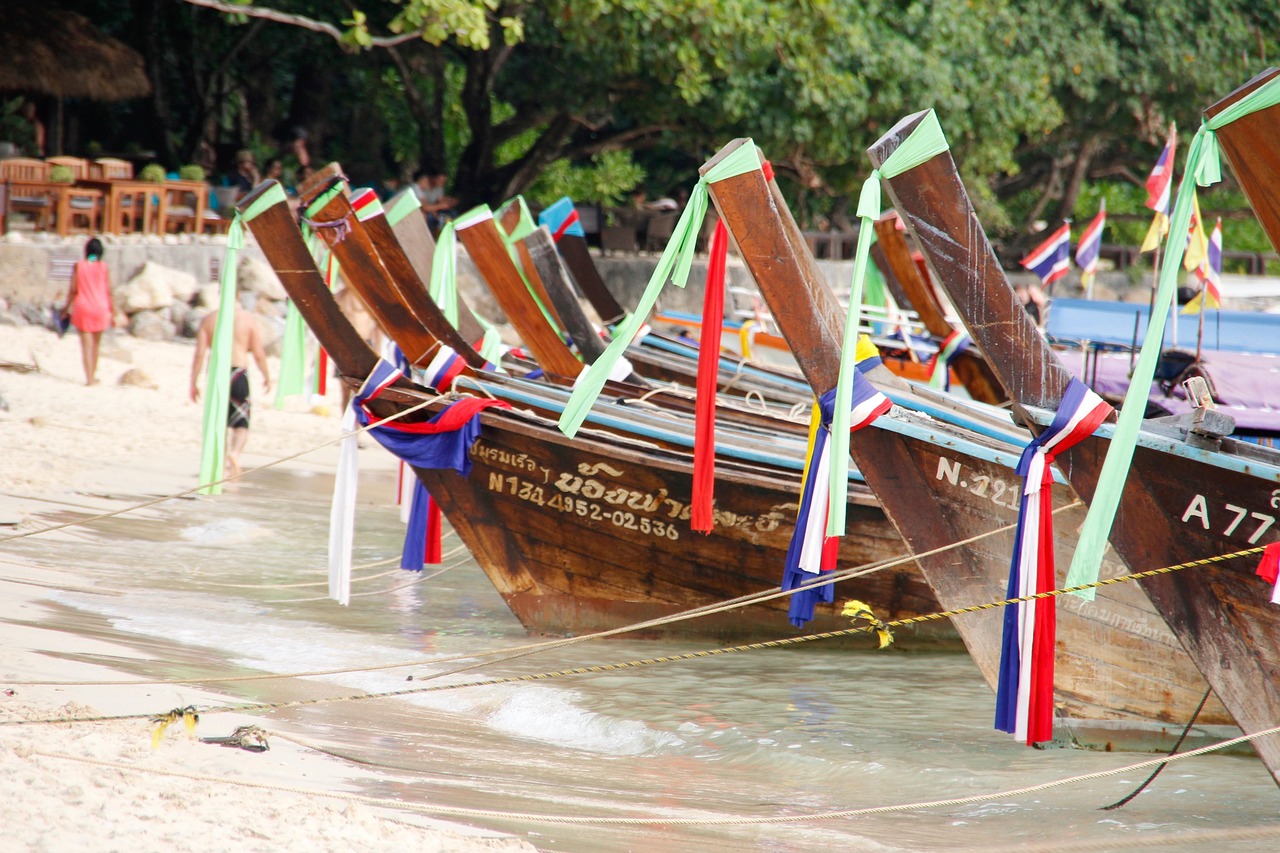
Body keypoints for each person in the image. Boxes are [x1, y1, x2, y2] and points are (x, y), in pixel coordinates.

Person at [189, 304, 272, 478]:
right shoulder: (248, 320)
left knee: (218, 419)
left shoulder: (209, 319)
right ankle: (234, 453)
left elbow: (199, 354)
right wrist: (266, 376)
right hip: (238, 372)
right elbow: (258, 353)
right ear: (240, 297)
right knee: (241, 422)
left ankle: (219, 459)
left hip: (216, 373)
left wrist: (193, 382)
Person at [62, 238, 114, 386]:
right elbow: (109, 291)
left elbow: (73, 290)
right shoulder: (104, 267)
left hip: (83, 308)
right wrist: (114, 312)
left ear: (86, 250)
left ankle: (89, 379)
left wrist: (65, 309)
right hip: (101, 308)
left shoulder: (79, 266)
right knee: (96, 346)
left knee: (86, 347)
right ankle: (93, 376)